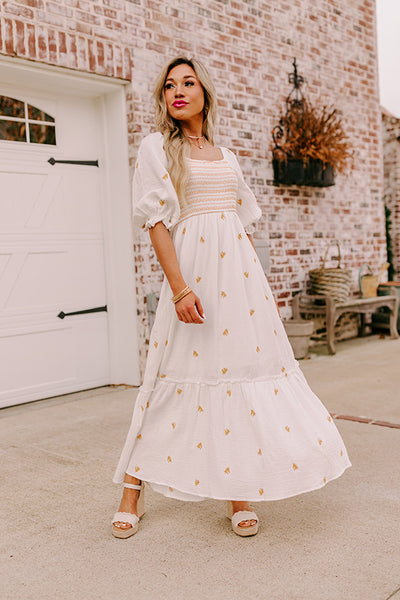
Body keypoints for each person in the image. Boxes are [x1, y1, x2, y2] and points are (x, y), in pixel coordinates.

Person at [111, 56, 352, 538]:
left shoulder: (227, 157)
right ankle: (130, 492)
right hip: (191, 278)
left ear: (204, 93)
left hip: (239, 285)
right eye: (169, 86)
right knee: (170, 377)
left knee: (238, 376)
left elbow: (234, 228)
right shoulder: (158, 147)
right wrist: (180, 287)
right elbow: (156, 223)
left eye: (188, 83)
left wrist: (249, 289)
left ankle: (237, 491)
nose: (178, 91)